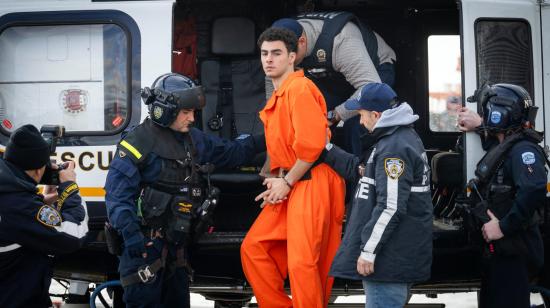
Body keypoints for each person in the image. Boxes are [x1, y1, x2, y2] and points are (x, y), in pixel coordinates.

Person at [104, 73, 265, 308]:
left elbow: (232, 152)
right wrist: (134, 240)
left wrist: (268, 137)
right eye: (186, 112)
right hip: (144, 251)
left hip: (176, 251)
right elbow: (118, 198)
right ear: (164, 110)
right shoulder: (137, 143)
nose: (192, 118)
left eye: (194, 112)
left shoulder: (193, 140)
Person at [240, 27, 345, 308]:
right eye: (264, 53)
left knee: (304, 264)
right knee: (254, 248)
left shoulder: (299, 89)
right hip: (293, 181)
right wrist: (278, 181)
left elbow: (312, 147)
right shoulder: (281, 93)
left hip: (312, 180)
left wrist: (285, 183)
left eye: (276, 53)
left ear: (292, 57)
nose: (269, 59)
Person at [325, 83, 433, 308]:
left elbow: (390, 207)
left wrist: (368, 250)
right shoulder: (397, 139)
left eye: (362, 115)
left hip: (388, 263)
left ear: (376, 114)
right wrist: (326, 149)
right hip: (393, 259)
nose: (361, 122)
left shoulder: (394, 149)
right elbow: (362, 170)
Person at [463, 84, 545, 308]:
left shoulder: (523, 150)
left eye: (485, 112)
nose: (484, 116)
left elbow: (534, 189)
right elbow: (497, 150)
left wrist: (503, 227)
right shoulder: (507, 146)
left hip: (513, 248)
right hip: (502, 250)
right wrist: (480, 125)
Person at [269, 13, 396, 156]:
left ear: (302, 42)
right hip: (333, 75)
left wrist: (335, 115)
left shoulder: (341, 41)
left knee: (355, 125)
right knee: (306, 120)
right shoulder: (277, 44)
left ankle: (360, 173)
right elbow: (274, 87)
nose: (286, 63)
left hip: (373, 70)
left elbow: (369, 86)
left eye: (290, 57)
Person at [0, 124, 88, 308]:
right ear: (39, 170)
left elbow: (18, 215)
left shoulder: (9, 192)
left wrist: (42, 201)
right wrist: (69, 188)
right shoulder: (21, 207)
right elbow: (75, 233)